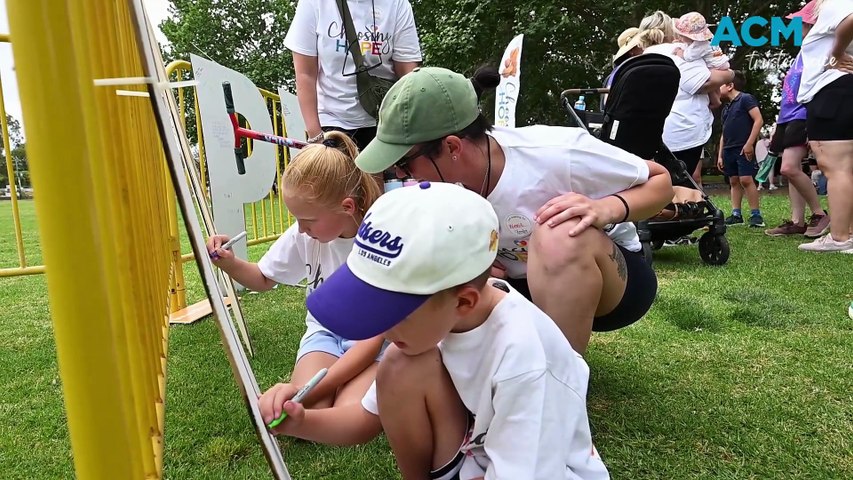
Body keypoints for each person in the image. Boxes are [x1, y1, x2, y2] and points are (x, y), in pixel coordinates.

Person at [262, 182, 611, 479]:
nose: (381, 324)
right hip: (475, 453)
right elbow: (363, 421)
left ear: (463, 302)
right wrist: (301, 421)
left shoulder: (526, 359)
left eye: (394, 311)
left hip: (534, 469)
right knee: (398, 362)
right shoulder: (435, 322)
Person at [353, 66, 674, 356]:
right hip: (520, 288)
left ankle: (559, 384)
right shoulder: (435, 185)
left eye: (405, 163)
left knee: (558, 234)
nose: (404, 175)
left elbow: (661, 182)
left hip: (614, 284)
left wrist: (605, 208)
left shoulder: (555, 153)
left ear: (452, 147)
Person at [207, 131, 385, 411]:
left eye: (308, 220)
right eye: (297, 219)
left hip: (371, 342)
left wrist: (308, 390)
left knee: (348, 412)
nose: (301, 229)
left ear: (347, 207)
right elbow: (263, 278)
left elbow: (371, 344)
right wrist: (228, 262)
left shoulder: (379, 244)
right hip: (325, 334)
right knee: (311, 409)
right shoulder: (305, 235)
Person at [284, 0, 422, 149]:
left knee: (381, 173)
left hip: (385, 122)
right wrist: (315, 136)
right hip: (332, 123)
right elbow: (305, 74)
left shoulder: (397, 4)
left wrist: (412, 130)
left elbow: (408, 75)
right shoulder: (314, 3)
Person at [639, 11, 735, 189]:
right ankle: (682, 212)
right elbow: (702, 83)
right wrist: (730, 74)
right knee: (680, 183)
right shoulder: (677, 52)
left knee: (662, 182)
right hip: (683, 129)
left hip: (653, 131)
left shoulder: (641, 57)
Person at [765, 1, 831, 237]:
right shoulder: (805, 49)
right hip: (788, 115)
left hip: (803, 113)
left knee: (790, 167)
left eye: (802, 21)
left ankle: (820, 213)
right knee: (790, 170)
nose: (798, 24)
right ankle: (797, 221)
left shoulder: (824, 47)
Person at [796, 0, 853, 253]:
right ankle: (848, 233)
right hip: (842, 89)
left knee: (836, 167)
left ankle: (840, 237)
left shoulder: (837, 2)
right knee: (846, 168)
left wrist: (836, 53)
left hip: (832, 90)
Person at [717, 71, 766, 227]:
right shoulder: (726, 108)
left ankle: (755, 215)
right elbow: (724, 133)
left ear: (730, 85)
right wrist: (720, 155)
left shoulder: (745, 99)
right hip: (729, 149)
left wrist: (749, 143)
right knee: (734, 181)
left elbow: (758, 120)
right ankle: (736, 214)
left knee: (746, 179)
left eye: (721, 85)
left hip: (743, 147)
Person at [672, 12, 731, 110]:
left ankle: (716, 101)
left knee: (707, 81)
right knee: (715, 85)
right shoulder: (706, 42)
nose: (680, 38)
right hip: (721, 62)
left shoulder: (700, 45)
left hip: (716, 65)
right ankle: (717, 99)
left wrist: (679, 51)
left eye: (682, 36)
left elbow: (688, 56)